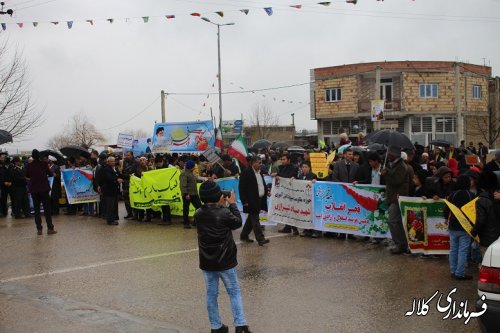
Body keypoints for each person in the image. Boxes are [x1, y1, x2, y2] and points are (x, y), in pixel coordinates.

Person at [194, 181, 252, 333]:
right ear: (217, 195)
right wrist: (232, 204)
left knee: (211, 294)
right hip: (225, 260)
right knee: (234, 292)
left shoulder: (198, 213)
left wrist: (220, 204)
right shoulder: (224, 212)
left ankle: (216, 326)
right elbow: (238, 222)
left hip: (207, 261)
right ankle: (240, 324)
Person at [444, 175, 476, 280]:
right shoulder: (471, 195)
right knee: (463, 251)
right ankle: (460, 273)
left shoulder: (453, 194)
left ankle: (453, 271)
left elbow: (446, 209)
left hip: (453, 226)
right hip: (465, 227)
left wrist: (446, 218)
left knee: (453, 249)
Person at [381, 146, 410, 255]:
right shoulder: (395, 165)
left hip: (398, 197)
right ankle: (401, 244)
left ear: (394, 154)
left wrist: (386, 174)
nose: (388, 156)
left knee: (392, 220)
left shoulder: (401, 166)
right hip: (393, 197)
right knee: (396, 222)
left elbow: (396, 181)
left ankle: (400, 244)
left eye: (390, 154)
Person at [239, 155, 270, 246]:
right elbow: (242, 188)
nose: (261, 164)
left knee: (251, 219)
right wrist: (244, 201)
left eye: (261, 162)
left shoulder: (259, 173)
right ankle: (260, 239)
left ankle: (244, 235)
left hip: (259, 199)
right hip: (251, 200)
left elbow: (261, 185)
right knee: (255, 219)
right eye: (259, 163)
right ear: (253, 163)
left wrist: (266, 192)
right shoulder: (246, 173)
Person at [26, 149, 56, 235]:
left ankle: (39, 229)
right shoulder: (44, 164)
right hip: (44, 189)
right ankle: (50, 228)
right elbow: (50, 174)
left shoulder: (29, 165)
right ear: (39, 156)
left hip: (34, 190)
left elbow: (27, 175)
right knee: (47, 209)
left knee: (37, 210)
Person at [471, 171, 500, 252]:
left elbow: (480, 220)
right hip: (498, 238)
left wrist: (473, 232)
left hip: (487, 238)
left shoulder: (481, 200)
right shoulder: (497, 196)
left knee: (486, 262)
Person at [275, 153, 299, 235]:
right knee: (285, 209)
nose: (282, 161)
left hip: (291, 193)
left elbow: (288, 176)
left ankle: (294, 228)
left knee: (291, 210)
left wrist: (279, 176)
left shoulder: (294, 168)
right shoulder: (281, 167)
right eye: (281, 159)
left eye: (284, 159)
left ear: (288, 160)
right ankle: (287, 227)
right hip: (283, 193)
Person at [98, 156, 123, 225]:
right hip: (109, 190)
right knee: (110, 206)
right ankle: (110, 220)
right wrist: (117, 180)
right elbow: (109, 178)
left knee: (112, 206)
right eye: (111, 161)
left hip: (112, 190)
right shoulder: (106, 169)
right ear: (108, 162)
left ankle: (112, 218)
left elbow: (116, 176)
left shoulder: (112, 168)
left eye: (113, 161)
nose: (113, 162)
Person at [180, 159, 202, 228]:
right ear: (191, 167)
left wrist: (206, 179)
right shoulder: (184, 174)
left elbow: (196, 179)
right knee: (186, 209)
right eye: (193, 166)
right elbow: (183, 185)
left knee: (199, 207)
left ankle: (195, 221)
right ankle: (186, 223)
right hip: (188, 195)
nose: (194, 167)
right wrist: (186, 194)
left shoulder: (191, 173)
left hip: (194, 194)